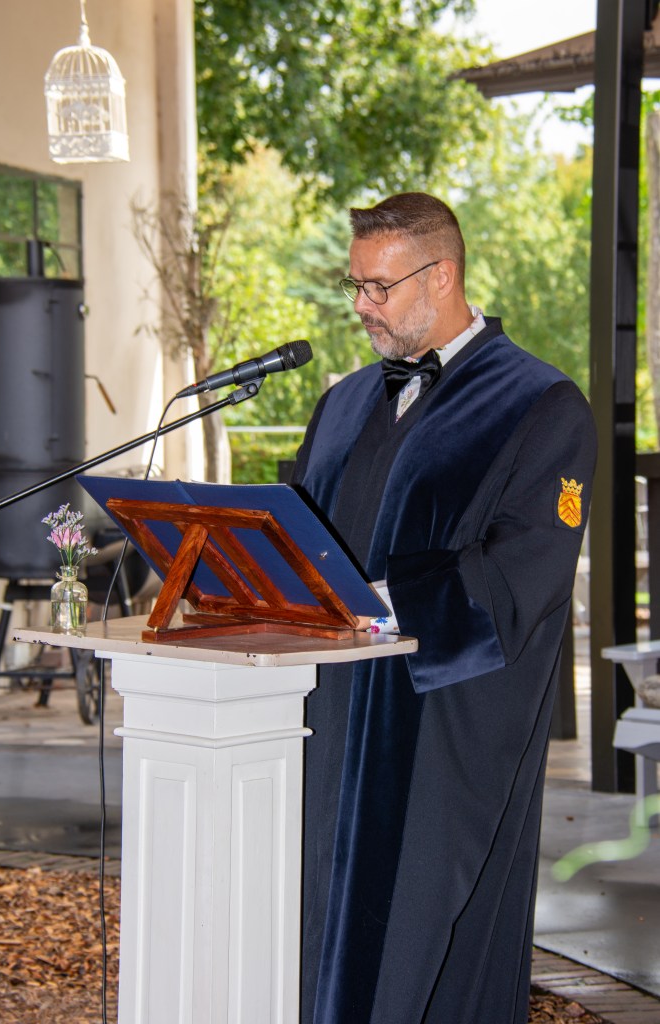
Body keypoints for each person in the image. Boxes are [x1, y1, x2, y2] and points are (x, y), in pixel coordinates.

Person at [292, 192, 597, 1024]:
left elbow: (524, 569)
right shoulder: (342, 403)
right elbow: (296, 532)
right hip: (320, 715)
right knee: (311, 912)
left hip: (436, 727)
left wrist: (373, 606)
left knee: (421, 942)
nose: (361, 305)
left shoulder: (538, 405)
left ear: (442, 276)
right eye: (355, 285)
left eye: (379, 287)